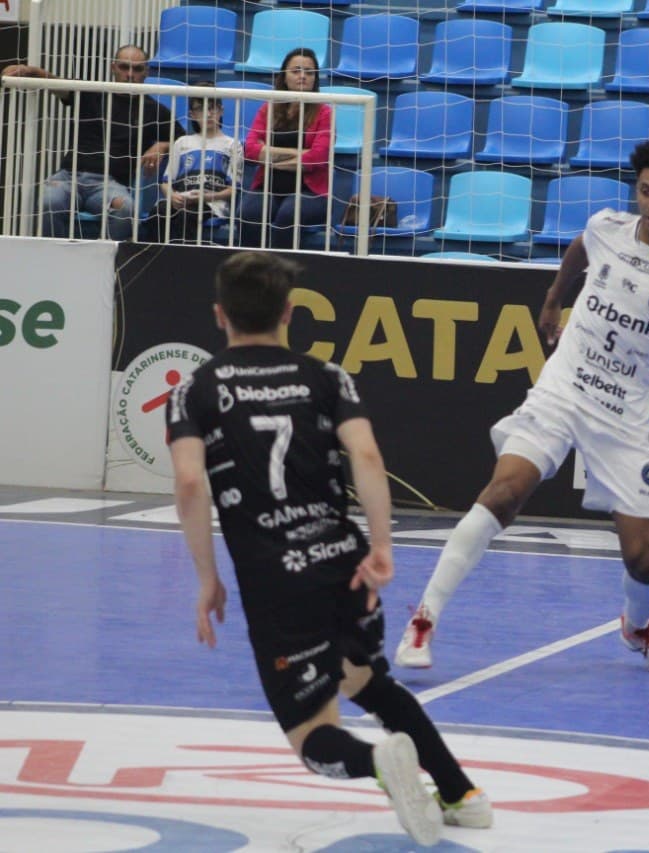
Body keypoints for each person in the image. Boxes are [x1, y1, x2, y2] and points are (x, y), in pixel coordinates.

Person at [394, 138, 649, 673]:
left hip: (622, 423)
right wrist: (554, 298)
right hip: (561, 392)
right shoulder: (606, 228)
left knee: (644, 561)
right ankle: (424, 619)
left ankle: (637, 627)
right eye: (645, 191)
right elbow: (579, 248)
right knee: (503, 493)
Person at [166, 252, 493, 846]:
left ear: (220, 315)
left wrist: (207, 578)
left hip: (277, 579)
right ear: (289, 312)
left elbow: (191, 483)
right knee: (366, 679)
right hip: (344, 560)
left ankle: (380, 765)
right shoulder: (327, 376)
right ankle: (461, 792)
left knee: (311, 737)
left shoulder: (195, 389)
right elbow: (366, 458)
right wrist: (382, 546)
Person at [1, 45, 174, 240]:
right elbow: (56, 84)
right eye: (124, 67)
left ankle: (106, 264)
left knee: (127, 209)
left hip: (110, 185)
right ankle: (54, 259)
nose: (130, 74)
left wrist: (162, 145)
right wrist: (29, 71)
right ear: (113, 67)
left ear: (147, 71)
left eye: (137, 69)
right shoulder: (93, 91)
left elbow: (183, 139)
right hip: (69, 177)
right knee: (48, 202)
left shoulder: (153, 109)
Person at [238, 47, 333, 249]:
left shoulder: (324, 112)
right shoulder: (269, 108)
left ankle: (282, 276)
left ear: (316, 78)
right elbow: (251, 150)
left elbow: (316, 157)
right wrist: (298, 154)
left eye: (309, 72)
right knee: (248, 214)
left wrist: (269, 155)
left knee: (287, 215)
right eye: (296, 70)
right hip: (268, 186)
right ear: (284, 76)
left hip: (311, 191)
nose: (302, 76)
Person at [145, 82, 242, 244]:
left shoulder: (232, 144)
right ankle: (155, 259)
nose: (208, 113)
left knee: (187, 214)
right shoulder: (182, 142)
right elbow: (165, 182)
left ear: (221, 110)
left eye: (212, 107)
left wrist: (208, 196)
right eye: (200, 109)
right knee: (159, 211)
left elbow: (233, 189)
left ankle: (183, 262)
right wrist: (172, 195)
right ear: (191, 114)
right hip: (181, 199)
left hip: (212, 204)